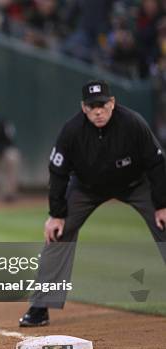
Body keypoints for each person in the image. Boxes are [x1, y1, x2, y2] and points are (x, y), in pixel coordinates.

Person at [19, 79, 166, 327]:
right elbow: (57, 171)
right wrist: (56, 214)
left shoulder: (133, 123)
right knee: (58, 232)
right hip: (87, 187)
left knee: (165, 224)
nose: (98, 111)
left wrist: (162, 205)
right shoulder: (72, 131)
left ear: (112, 103)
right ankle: (40, 307)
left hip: (135, 184)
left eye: (102, 105)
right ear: (83, 108)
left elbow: (156, 163)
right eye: (92, 106)